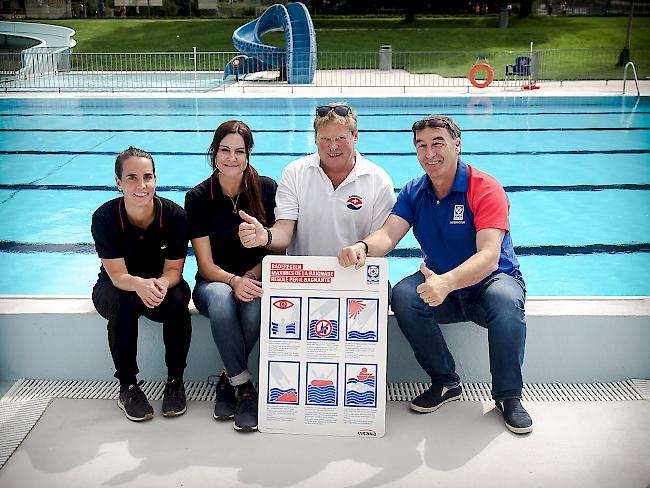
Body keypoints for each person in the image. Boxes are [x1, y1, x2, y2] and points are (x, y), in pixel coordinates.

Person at [337, 115, 533, 434]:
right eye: (421, 146)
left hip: (489, 284)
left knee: (505, 300)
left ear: (457, 144)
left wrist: (447, 281)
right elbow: (388, 235)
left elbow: (488, 255)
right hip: (442, 286)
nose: (430, 153)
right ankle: (445, 382)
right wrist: (362, 246)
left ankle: (508, 396)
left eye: (438, 143)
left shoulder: (484, 188)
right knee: (402, 295)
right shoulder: (415, 191)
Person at [185, 120, 277, 432]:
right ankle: (246, 388)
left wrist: (249, 277)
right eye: (225, 150)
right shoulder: (197, 198)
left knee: (254, 306)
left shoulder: (265, 189)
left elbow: (275, 249)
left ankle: (228, 381)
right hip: (213, 283)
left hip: (255, 278)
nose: (231, 158)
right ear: (214, 152)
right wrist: (234, 281)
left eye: (239, 151)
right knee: (224, 300)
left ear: (249, 154)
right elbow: (205, 265)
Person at [91, 147, 191, 422]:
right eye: (132, 178)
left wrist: (159, 283)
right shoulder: (105, 217)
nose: (141, 185)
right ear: (118, 182)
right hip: (117, 285)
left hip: (159, 285)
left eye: (147, 177)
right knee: (123, 302)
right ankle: (128, 386)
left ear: (155, 179)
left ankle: (175, 380)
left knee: (180, 296)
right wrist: (139, 285)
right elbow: (117, 276)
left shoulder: (174, 217)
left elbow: (174, 270)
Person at [238, 102, 396, 257]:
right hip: (306, 277)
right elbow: (284, 230)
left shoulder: (378, 181)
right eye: (325, 139)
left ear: (355, 136)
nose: (333, 147)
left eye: (341, 138)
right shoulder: (294, 173)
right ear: (315, 138)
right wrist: (266, 236)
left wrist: (360, 250)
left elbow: (382, 238)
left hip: (355, 275)